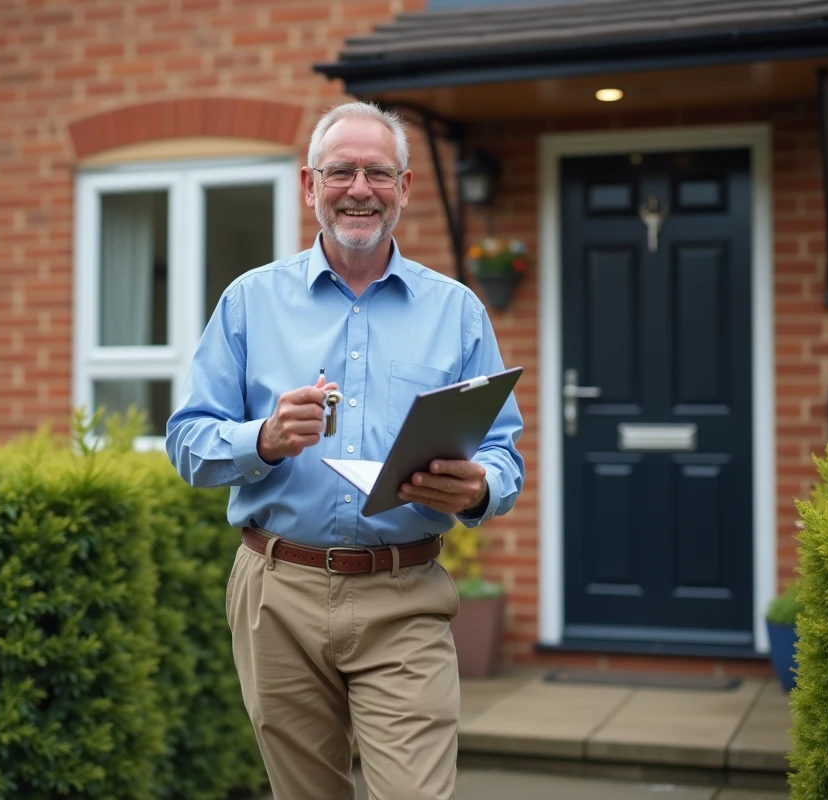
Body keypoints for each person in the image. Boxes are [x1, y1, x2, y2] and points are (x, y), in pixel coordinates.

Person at [165, 101, 524, 800]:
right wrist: (262, 440)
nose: (360, 188)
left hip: (406, 594)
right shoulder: (248, 303)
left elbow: (504, 450)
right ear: (309, 185)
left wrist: (478, 488)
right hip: (278, 593)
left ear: (405, 188)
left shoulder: (456, 311)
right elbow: (187, 441)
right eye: (341, 172)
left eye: (378, 173)